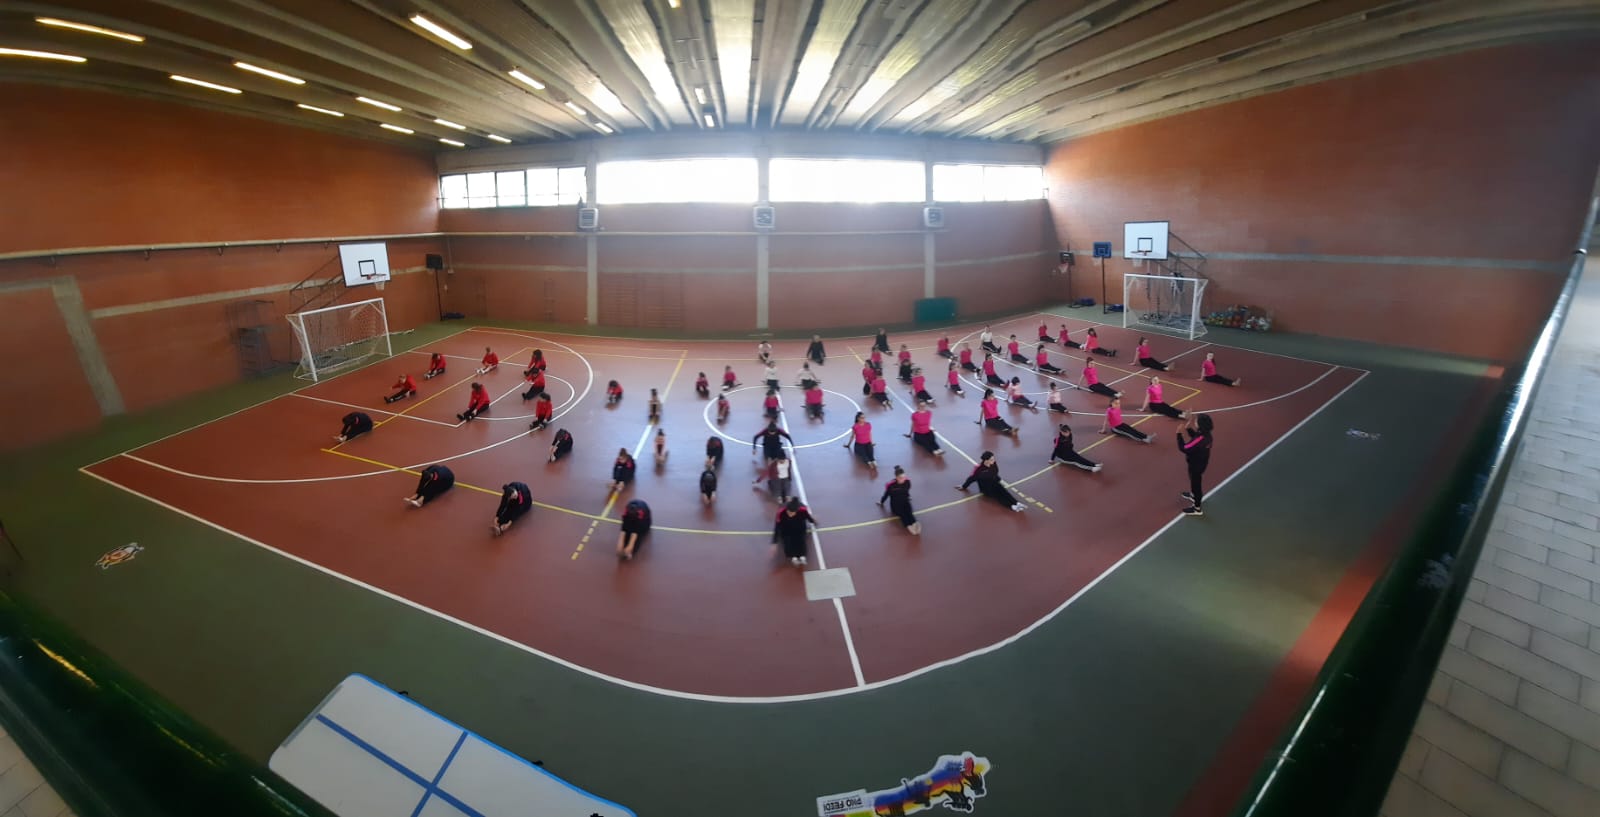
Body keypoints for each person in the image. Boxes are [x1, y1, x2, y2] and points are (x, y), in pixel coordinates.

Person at [956, 451, 1024, 512]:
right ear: (986, 460)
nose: (994, 460)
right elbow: (971, 478)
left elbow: (995, 473)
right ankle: (1012, 506)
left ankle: (1017, 503)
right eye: (991, 459)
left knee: (1004, 491)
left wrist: (998, 479)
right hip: (986, 488)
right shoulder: (979, 469)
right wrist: (964, 486)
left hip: (994, 482)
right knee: (999, 496)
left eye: (993, 458)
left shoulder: (993, 464)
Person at [1177, 413, 1214, 516]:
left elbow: (1185, 448)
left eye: (1196, 421)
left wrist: (1179, 434)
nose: (1195, 422)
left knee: (1196, 484)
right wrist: (1188, 429)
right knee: (1195, 482)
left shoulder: (1201, 438)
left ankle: (1197, 508)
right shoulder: (1207, 435)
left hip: (1196, 465)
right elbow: (1196, 438)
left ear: (1200, 424)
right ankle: (1193, 495)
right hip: (1201, 463)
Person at [773, 498, 817, 566]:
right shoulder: (781, 511)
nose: (790, 514)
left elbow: (808, 517)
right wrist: (775, 542)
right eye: (789, 512)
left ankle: (802, 556)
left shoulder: (803, 509)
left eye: (792, 513)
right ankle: (793, 557)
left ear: (797, 510)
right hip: (786, 528)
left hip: (799, 527)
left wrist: (813, 521)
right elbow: (777, 526)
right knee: (788, 543)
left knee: (801, 541)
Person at [879, 466, 921, 535]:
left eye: (904, 477)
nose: (903, 479)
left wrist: (908, 497)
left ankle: (915, 523)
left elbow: (906, 491)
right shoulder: (890, 485)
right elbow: (886, 494)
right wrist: (881, 502)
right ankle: (908, 526)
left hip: (905, 501)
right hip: (896, 505)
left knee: (909, 512)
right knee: (903, 515)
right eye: (901, 478)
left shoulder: (907, 482)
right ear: (897, 478)